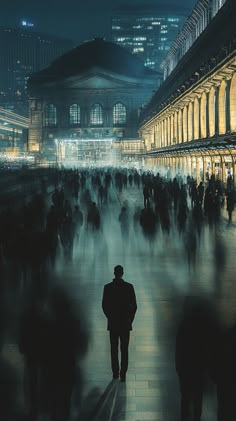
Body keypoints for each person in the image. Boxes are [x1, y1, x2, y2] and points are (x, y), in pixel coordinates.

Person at [102, 265, 137, 382]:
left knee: (114, 349)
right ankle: (123, 372)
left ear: (114, 273)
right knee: (124, 349)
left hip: (113, 323)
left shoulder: (107, 288)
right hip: (125, 323)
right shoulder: (129, 287)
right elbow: (134, 306)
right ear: (122, 273)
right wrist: (129, 319)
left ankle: (115, 372)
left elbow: (104, 306)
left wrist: (110, 317)